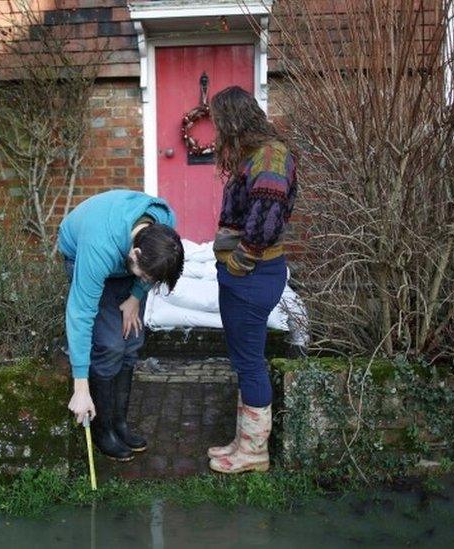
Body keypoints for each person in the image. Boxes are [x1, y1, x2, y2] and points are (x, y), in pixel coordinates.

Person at [206, 86, 297, 474]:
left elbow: (267, 216)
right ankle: (245, 441)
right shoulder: (259, 155)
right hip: (245, 275)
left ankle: (254, 453)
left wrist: (240, 262)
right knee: (245, 361)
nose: (216, 132)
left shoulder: (271, 157)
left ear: (233, 121)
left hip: (253, 274)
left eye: (219, 123)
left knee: (251, 364)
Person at [59, 189, 184, 461]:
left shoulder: (164, 228)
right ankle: (103, 431)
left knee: (133, 341)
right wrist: (80, 388)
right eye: (147, 276)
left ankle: (119, 424)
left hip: (124, 259)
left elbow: (150, 274)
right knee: (110, 344)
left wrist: (136, 296)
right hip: (83, 254)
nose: (149, 280)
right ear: (137, 253)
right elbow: (80, 313)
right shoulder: (98, 248)